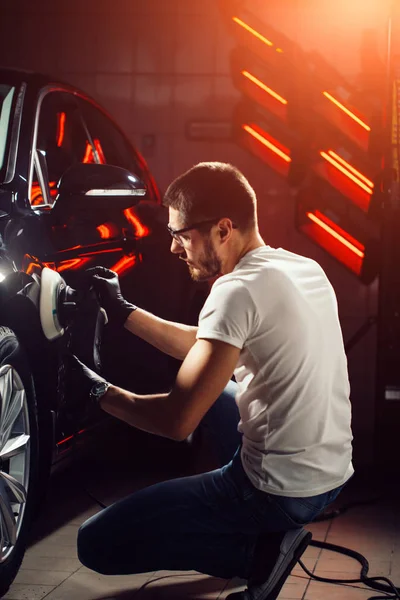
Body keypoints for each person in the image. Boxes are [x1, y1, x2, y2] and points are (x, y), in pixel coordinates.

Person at [73, 162, 354, 600]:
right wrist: (124, 311)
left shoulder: (235, 291)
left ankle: (257, 554)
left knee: (95, 544)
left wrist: (96, 392)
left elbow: (176, 421)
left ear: (223, 229)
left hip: (277, 491)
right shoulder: (302, 268)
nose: (173, 248)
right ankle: (269, 534)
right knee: (222, 390)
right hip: (330, 476)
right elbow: (211, 346)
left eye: (181, 235)